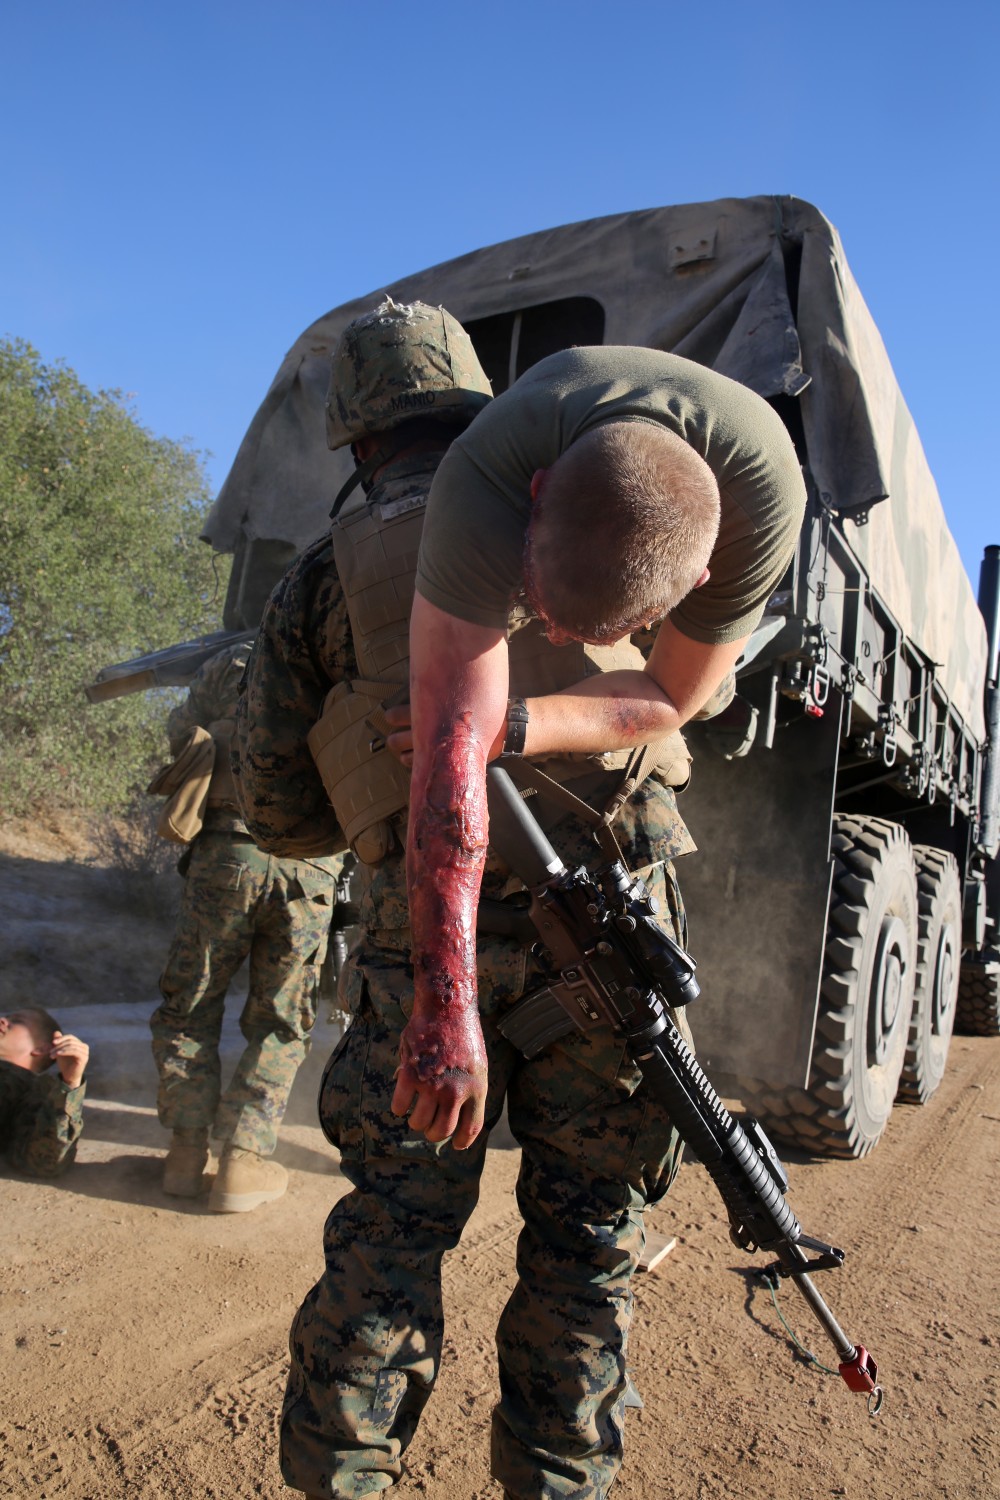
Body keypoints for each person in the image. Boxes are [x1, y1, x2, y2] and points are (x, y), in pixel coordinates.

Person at [235, 302, 736, 1497]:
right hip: (611, 952)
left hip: (425, 958)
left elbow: (275, 810)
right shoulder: (608, 513)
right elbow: (681, 694)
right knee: (586, 1256)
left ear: (356, 443)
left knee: (389, 1248)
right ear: (473, 411)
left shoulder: (317, 583)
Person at [149, 640, 340, 1212]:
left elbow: (181, 731)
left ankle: (186, 1154)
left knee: (190, 1005)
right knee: (282, 1019)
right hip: (310, 868)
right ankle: (243, 1157)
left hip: (225, 856)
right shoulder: (350, 665)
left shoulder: (234, 658)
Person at [0, 1007, 89, 1177]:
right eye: (5, 1017)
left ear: (42, 1048)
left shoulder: (29, 1090)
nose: (3, 1020)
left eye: (16, 1021)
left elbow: (44, 1161)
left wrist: (70, 1083)